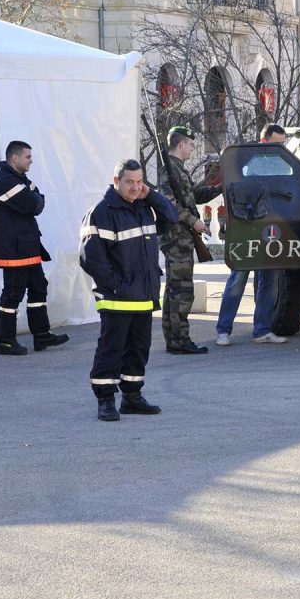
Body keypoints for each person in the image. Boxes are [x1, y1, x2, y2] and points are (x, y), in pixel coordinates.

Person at [80, 158, 178, 422]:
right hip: (116, 299)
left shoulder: (144, 207)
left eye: (139, 182)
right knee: (111, 349)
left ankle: (132, 397)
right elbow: (90, 259)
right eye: (129, 182)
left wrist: (152, 195)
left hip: (143, 297)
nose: (135, 187)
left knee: (138, 349)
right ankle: (105, 399)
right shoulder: (101, 212)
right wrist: (117, 287)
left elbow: (171, 218)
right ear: (116, 181)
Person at [0, 140, 69, 356]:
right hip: (14, 250)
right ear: (15, 158)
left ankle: (41, 335)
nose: (31, 160)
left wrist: (35, 198)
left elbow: (38, 198)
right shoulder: (5, 181)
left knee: (38, 287)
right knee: (13, 293)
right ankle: (6, 342)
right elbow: (34, 204)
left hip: (27, 246)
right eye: (28, 157)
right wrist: (35, 199)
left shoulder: (19, 179)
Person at [215, 123, 290, 346]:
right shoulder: (248, 162)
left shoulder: (283, 164)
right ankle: (223, 330)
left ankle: (262, 330)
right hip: (247, 228)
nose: (282, 149)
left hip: (272, 229)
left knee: (269, 281)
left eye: (283, 144)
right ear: (264, 141)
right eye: (278, 144)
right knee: (238, 279)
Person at [159, 126, 218, 355]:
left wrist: (220, 187)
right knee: (181, 291)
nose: (193, 148)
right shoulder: (169, 171)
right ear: (181, 144)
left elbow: (192, 196)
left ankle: (175, 339)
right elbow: (169, 203)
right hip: (176, 239)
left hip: (181, 239)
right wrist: (193, 221)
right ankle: (179, 340)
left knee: (176, 290)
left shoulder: (179, 171)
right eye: (191, 144)